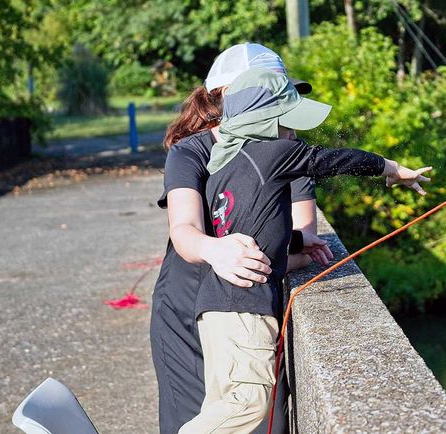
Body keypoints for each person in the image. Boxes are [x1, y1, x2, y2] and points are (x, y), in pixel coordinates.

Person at [178, 57, 431, 433]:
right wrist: (392, 170)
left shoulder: (225, 164)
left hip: (216, 306)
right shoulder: (271, 152)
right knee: (249, 403)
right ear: (265, 123)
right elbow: (333, 160)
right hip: (245, 307)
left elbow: (246, 223)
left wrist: (297, 240)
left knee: (223, 403)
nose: (294, 133)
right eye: (288, 122)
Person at [150, 44, 331, 434]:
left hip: (252, 304)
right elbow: (184, 232)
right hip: (186, 309)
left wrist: (293, 249)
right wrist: (216, 249)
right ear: (224, 97)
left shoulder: (287, 149)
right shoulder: (191, 151)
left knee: (261, 418)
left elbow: (302, 236)